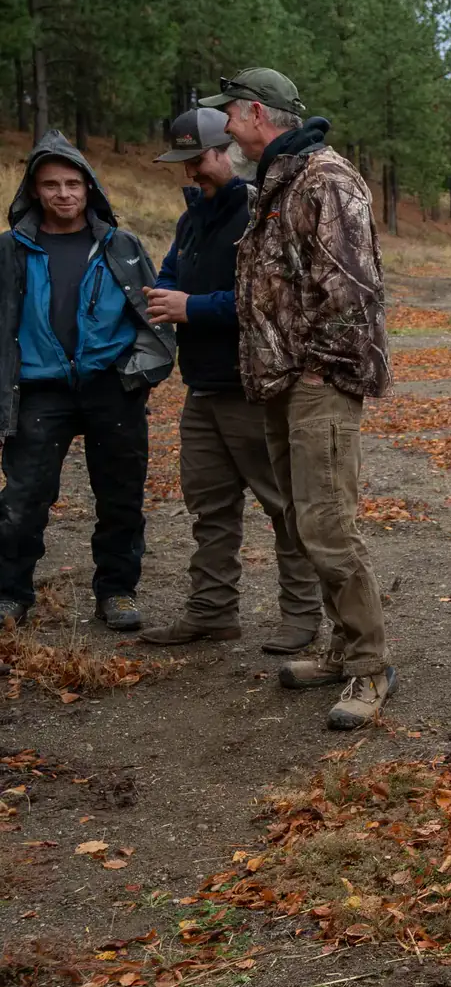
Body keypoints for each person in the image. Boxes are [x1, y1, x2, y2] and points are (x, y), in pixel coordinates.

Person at [204, 67, 396, 730]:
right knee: (301, 522)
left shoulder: (326, 179)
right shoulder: (280, 181)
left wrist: (318, 371)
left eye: (229, 114)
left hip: (319, 382)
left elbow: (351, 288)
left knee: (328, 525)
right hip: (280, 382)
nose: (224, 127)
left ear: (258, 112)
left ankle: (372, 666)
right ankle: (343, 648)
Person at [137, 109, 321, 653]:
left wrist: (191, 307)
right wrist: (168, 295)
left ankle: (302, 615)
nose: (191, 171)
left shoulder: (255, 209)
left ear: (228, 151)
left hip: (251, 386)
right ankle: (212, 610)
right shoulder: (192, 216)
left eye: (198, 159)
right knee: (209, 507)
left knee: (282, 506)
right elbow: (169, 271)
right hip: (201, 389)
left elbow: (270, 298)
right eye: (184, 162)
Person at [0, 133, 175, 630]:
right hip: (38, 390)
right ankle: (10, 594)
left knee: (121, 497)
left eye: (73, 183)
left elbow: (154, 314)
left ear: (88, 187)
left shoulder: (121, 246)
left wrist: (138, 373)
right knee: (22, 499)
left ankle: (117, 592)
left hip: (111, 387)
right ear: (34, 191)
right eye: (51, 184)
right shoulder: (9, 251)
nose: (63, 194)